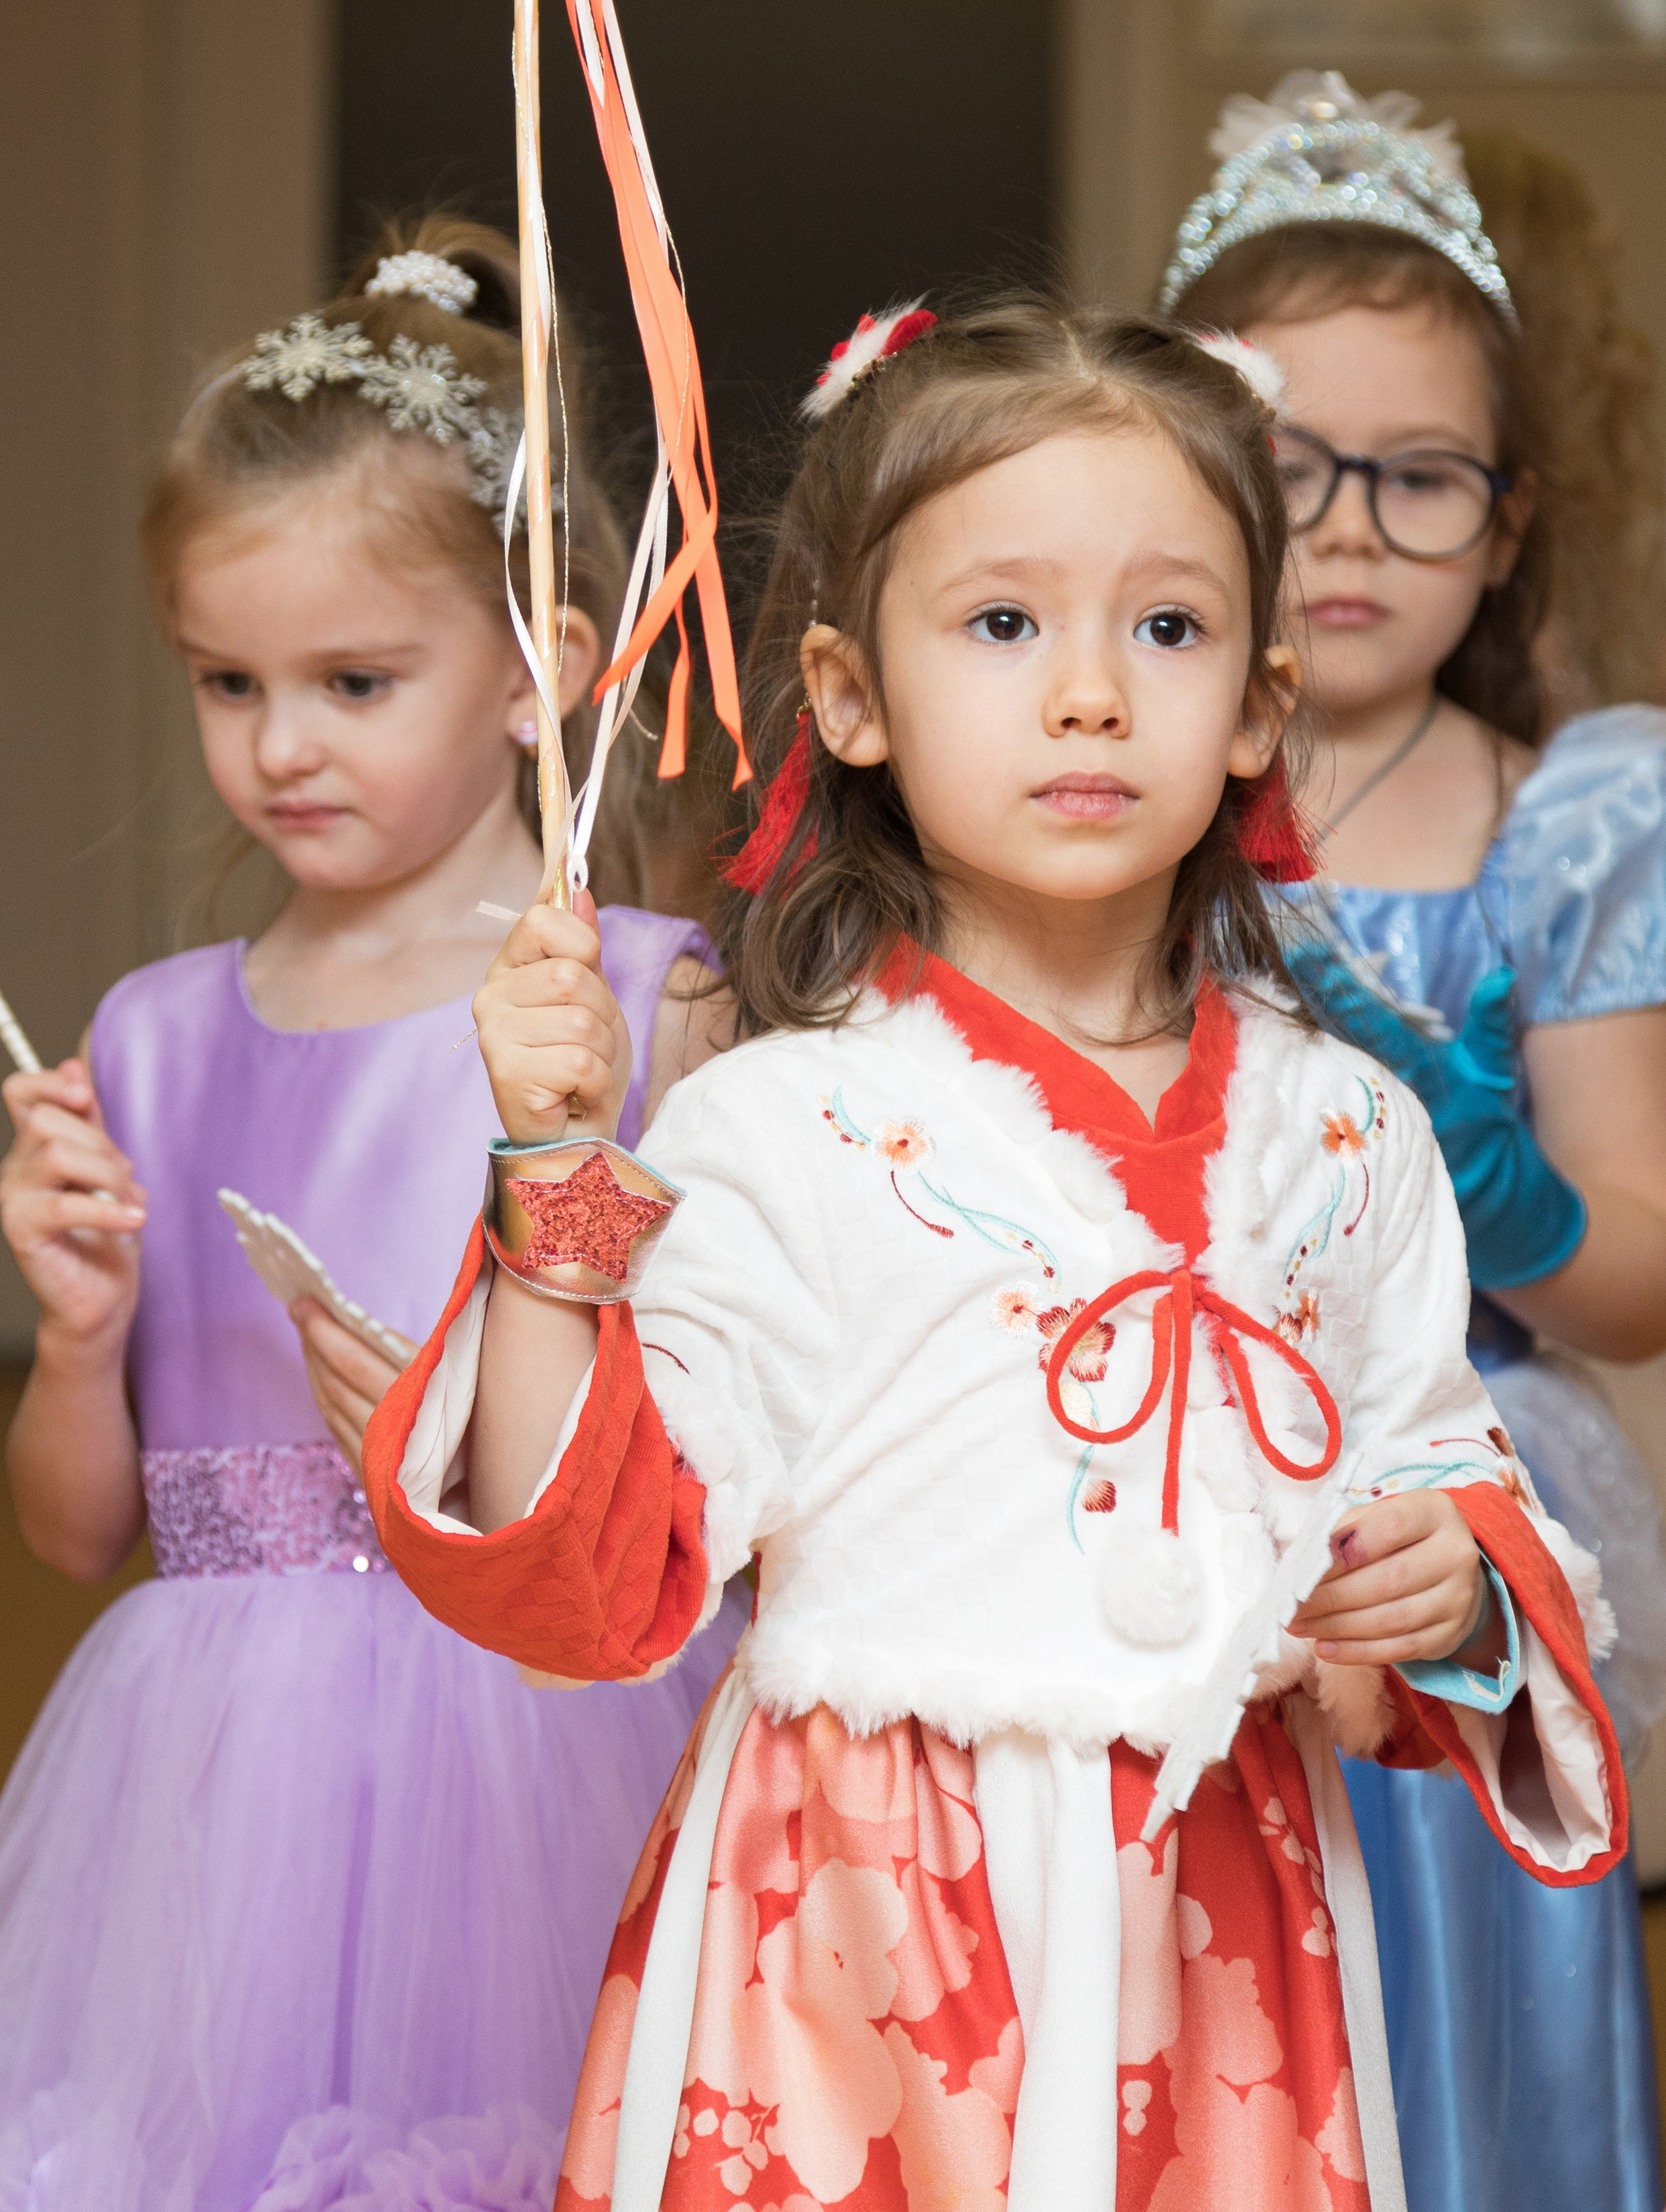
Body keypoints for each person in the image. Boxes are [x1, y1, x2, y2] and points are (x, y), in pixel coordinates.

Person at [364, 296, 1624, 2212]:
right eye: (1004, 623)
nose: (1092, 692)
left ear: (1260, 707)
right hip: (861, 1940)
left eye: (1171, 628)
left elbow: (1438, 1462)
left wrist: (1453, 1589)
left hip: (1225, 1931)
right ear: (849, 694)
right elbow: (589, 1570)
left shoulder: (1345, 1132)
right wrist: (555, 1173)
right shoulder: (781, 1124)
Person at [0, 217, 748, 2212]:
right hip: (201, 1812)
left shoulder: (645, 1002)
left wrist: (473, 1440)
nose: (279, 743)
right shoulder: (152, 1038)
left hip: (536, 1757)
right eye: (227, 681)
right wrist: (75, 1330)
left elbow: (732, 1462)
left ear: (545, 672)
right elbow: (77, 1532)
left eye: (354, 680)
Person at [1163, 72, 1666, 2212]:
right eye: (1287, 469)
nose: (1351, 527)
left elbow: (1633, 1281)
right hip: (1167, 1501)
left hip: (1450, 1525)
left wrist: (1500, 1179)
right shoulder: (1113, 794)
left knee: (1430, 2051)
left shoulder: (1576, 815)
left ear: (1511, 519)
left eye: (1422, 476)